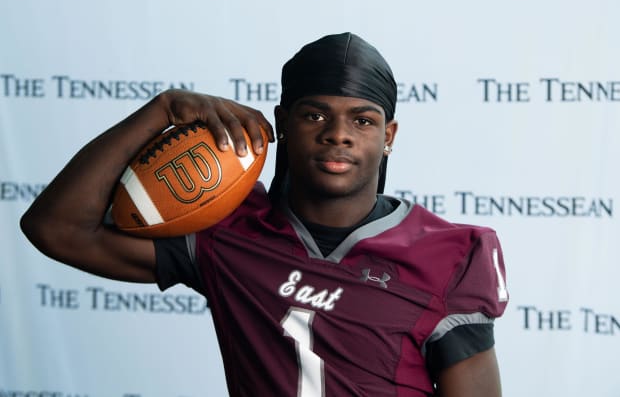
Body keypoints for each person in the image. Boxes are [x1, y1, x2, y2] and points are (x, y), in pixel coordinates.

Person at [21, 33, 508, 397]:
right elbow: (56, 228)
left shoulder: (449, 256)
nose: (337, 134)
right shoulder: (226, 230)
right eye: (314, 115)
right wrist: (160, 111)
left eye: (362, 120)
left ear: (389, 137)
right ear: (282, 124)